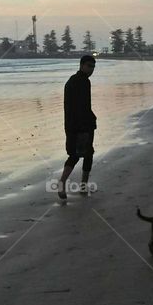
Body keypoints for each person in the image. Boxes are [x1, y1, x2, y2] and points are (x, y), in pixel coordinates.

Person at [57, 55, 97, 200]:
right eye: (89, 66)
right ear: (81, 65)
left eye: (93, 66)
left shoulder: (72, 81)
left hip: (72, 124)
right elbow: (83, 106)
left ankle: (71, 186)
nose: (91, 69)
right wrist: (87, 123)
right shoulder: (83, 82)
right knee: (85, 154)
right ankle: (81, 187)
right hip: (81, 125)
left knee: (77, 155)